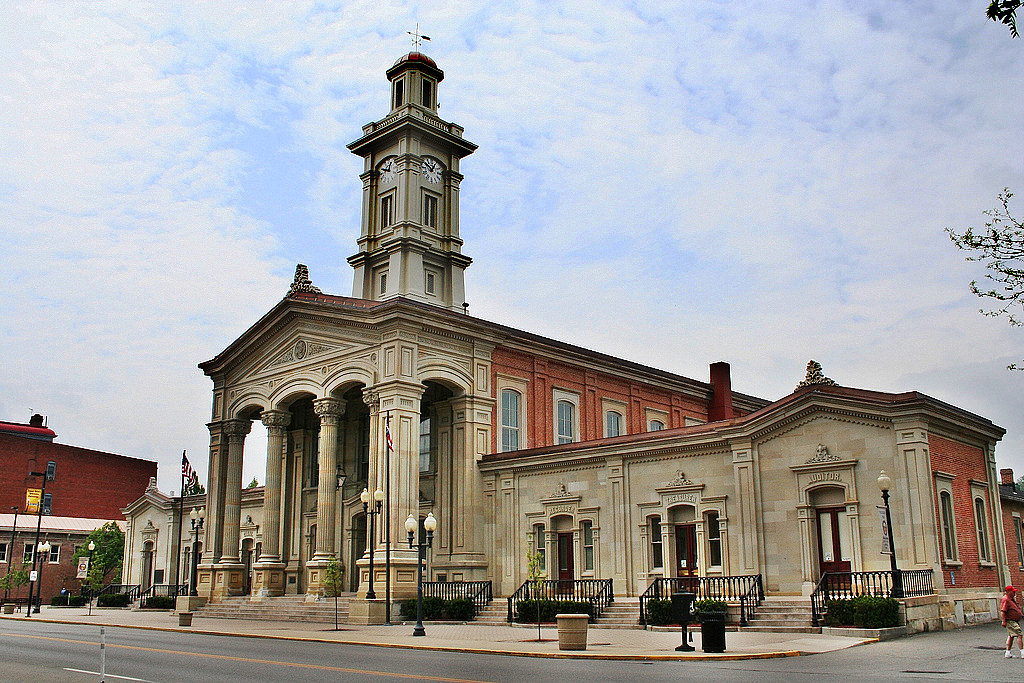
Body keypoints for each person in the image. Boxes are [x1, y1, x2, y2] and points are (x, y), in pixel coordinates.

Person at [1001, 585, 1023, 658]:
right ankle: (1022, 652)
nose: (1014, 593)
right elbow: (1003, 611)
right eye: (1013, 591)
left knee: (1011, 636)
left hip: (1014, 620)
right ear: (1009, 592)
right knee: (1019, 635)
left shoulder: (1011, 599)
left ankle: (1008, 652)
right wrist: (1003, 621)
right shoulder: (1006, 599)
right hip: (1010, 621)